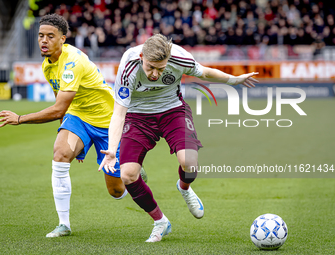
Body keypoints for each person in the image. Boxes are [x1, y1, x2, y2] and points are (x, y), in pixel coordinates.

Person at [0, 14, 146, 238]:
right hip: (79, 117)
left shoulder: (73, 61)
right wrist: (73, 141)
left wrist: (19, 119)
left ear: (62, 39)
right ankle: (63, 224)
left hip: (108, 121)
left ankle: (134, 172)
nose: (43, 41)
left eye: (50, 36)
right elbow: (62, 107)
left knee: (116, 190)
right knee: (61, 153)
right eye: (40, 36)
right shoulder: (48, 65)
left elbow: (57, 108)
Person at [99, 34, 258, 242]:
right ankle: (160, 221)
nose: (155, 74)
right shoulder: (128, 65)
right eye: (150, 68)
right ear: (141, 57)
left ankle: (184, 187)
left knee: (189, 162)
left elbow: (205, 72)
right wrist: (112, 149)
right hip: (138, 116)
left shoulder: (180, 57)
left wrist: (234, 80)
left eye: (161, 68)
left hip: (173, 111)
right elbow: (119, 112)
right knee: (128, 174)